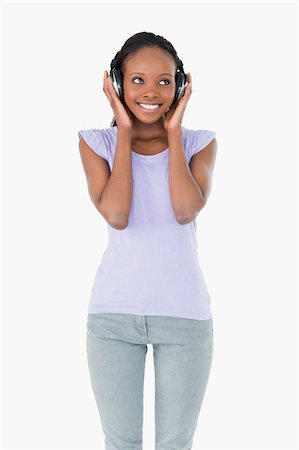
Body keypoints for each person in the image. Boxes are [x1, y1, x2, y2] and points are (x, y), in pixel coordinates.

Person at [78, 31, 218, 450]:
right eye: (137, 80)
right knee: (120, 443)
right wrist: (124, 128)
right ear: (118, 84)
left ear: (179, 85)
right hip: (112, 320)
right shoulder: (96, 143)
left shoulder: (199, 143)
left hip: (185, 318)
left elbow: (185, 209)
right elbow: (117, 214)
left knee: (176, 443)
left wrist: (173, 134)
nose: (151, 92)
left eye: (163, 81)